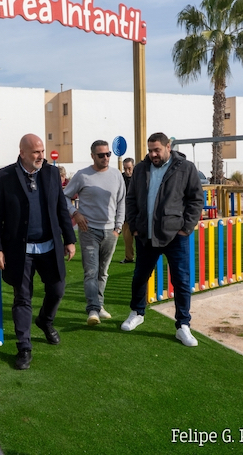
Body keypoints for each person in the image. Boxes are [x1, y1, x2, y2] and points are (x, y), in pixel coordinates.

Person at [0, 134, 76, 370]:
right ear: (23, 152)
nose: (41, 156)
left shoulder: (50, 174)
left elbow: (61, 208)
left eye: (42, 151)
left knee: (57, 289)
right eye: (36, 152)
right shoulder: (5, 176)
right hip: (20, 250)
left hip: (49, 246)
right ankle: (24, 346)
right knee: (22, 298)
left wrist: (69, 239)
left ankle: (45, 321)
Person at [121, 132, 204, 347]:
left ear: (169, 147)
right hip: (146, 235)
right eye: (150, 150)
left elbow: (196, 199)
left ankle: (183, 325)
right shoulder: (140, 168)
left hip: (176, 235)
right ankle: (137, 312)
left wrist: (186, 227)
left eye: (157, 149)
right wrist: (136, 226)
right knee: (140, 276)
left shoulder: (185, 168)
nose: (153, 154)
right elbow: (131, 199)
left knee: (181, 280)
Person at [63, 140, 126, 325]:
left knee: (103, 272)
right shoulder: (83, 175)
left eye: (108, 154)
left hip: (110, 231)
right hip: (88, 230)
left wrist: (118, 228)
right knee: (91, 271)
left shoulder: (116, 175)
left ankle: (99, 304)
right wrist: (75, 213)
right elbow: (64, 196)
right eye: (101, 155)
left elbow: (122, 201)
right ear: (92, 156)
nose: (105, 158)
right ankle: (92, 309)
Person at [120, 157, 135, 264]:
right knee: (127, 238)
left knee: (141, 239)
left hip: (138, 213)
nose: (127, 171)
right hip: (125, 213)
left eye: (129, 168)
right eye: (125, 169)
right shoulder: (120, 178)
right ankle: (129, 257)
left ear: (133, 167)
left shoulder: (139, 177)